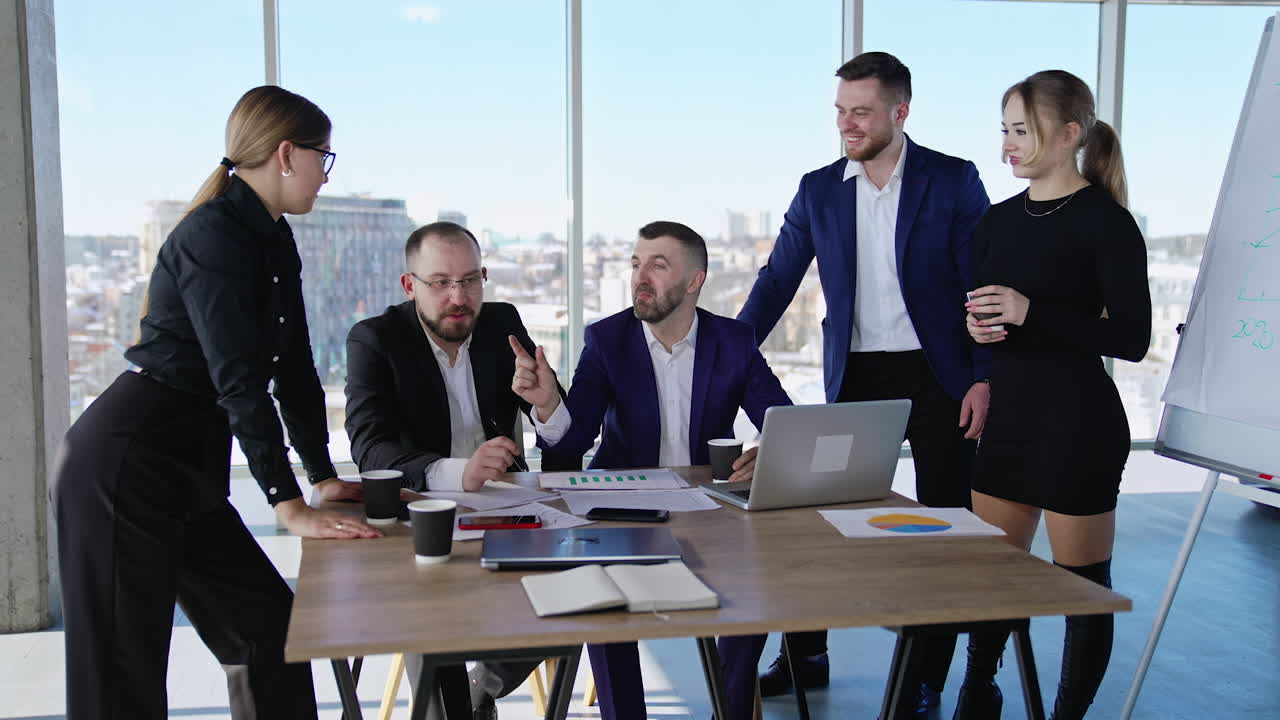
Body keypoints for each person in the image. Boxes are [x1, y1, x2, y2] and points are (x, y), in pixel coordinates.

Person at [51, 86, 381, 720]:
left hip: (184, 467)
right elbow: (238, 381)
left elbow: (295, 368)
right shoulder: (212, 236)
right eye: (324, 156)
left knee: (267, 630)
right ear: (287, 154)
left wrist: (321, 476)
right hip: (124, 467)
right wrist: (287, 505)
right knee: (120, 679)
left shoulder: (274, 238)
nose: (325, 172)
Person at [737, 51, 992, 711]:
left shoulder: (953, 179)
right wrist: (727, 355)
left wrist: (983, 378)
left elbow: (983, 287)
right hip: (857, 374)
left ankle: (927, 675)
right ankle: (805, 654)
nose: (847, 124)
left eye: (862, 111)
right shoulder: (820, 188)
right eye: (840, 112)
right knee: (814, 522)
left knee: (943, 528)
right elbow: (775, 282)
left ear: (900, 111)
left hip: (941, 376)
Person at [517, 221, 792, 720]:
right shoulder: (607, 340)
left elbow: (780, 418)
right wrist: (548, 404)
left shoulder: (734, 341)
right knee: (605, 599)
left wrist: (770, 449)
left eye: (658, 265)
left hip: (711, 509)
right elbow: (575, 440)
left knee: (753, 594)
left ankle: (728, 712)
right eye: (636, 263)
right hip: (622, 511)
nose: (640, 276)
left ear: (694, 282)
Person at [955, 70, 1150, 720]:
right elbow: (996, 321)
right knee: (992, 578)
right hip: (1010, 419)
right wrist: (980, 327)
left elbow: (1131, 337)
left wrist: (1029, 312)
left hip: (1079, 427)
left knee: (1081, 591)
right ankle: (976, 695)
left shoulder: (1108, 222)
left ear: (1069, 134)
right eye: (1005, 131)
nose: (1007, 145)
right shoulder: (996, 222)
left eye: (1022, 131)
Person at [344, 221, 577, 719]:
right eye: (441, 282)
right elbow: (371, 450)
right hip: (422, 520)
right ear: (411, 286)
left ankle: (482, 686)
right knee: (428, 619)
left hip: (508, 513)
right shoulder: (375, 340)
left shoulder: (501, 323)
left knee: (582, 581)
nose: (460, 296)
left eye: (472, 280)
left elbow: (565, 445)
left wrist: (547, 406)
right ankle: (456, 706)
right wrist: (457, 473)